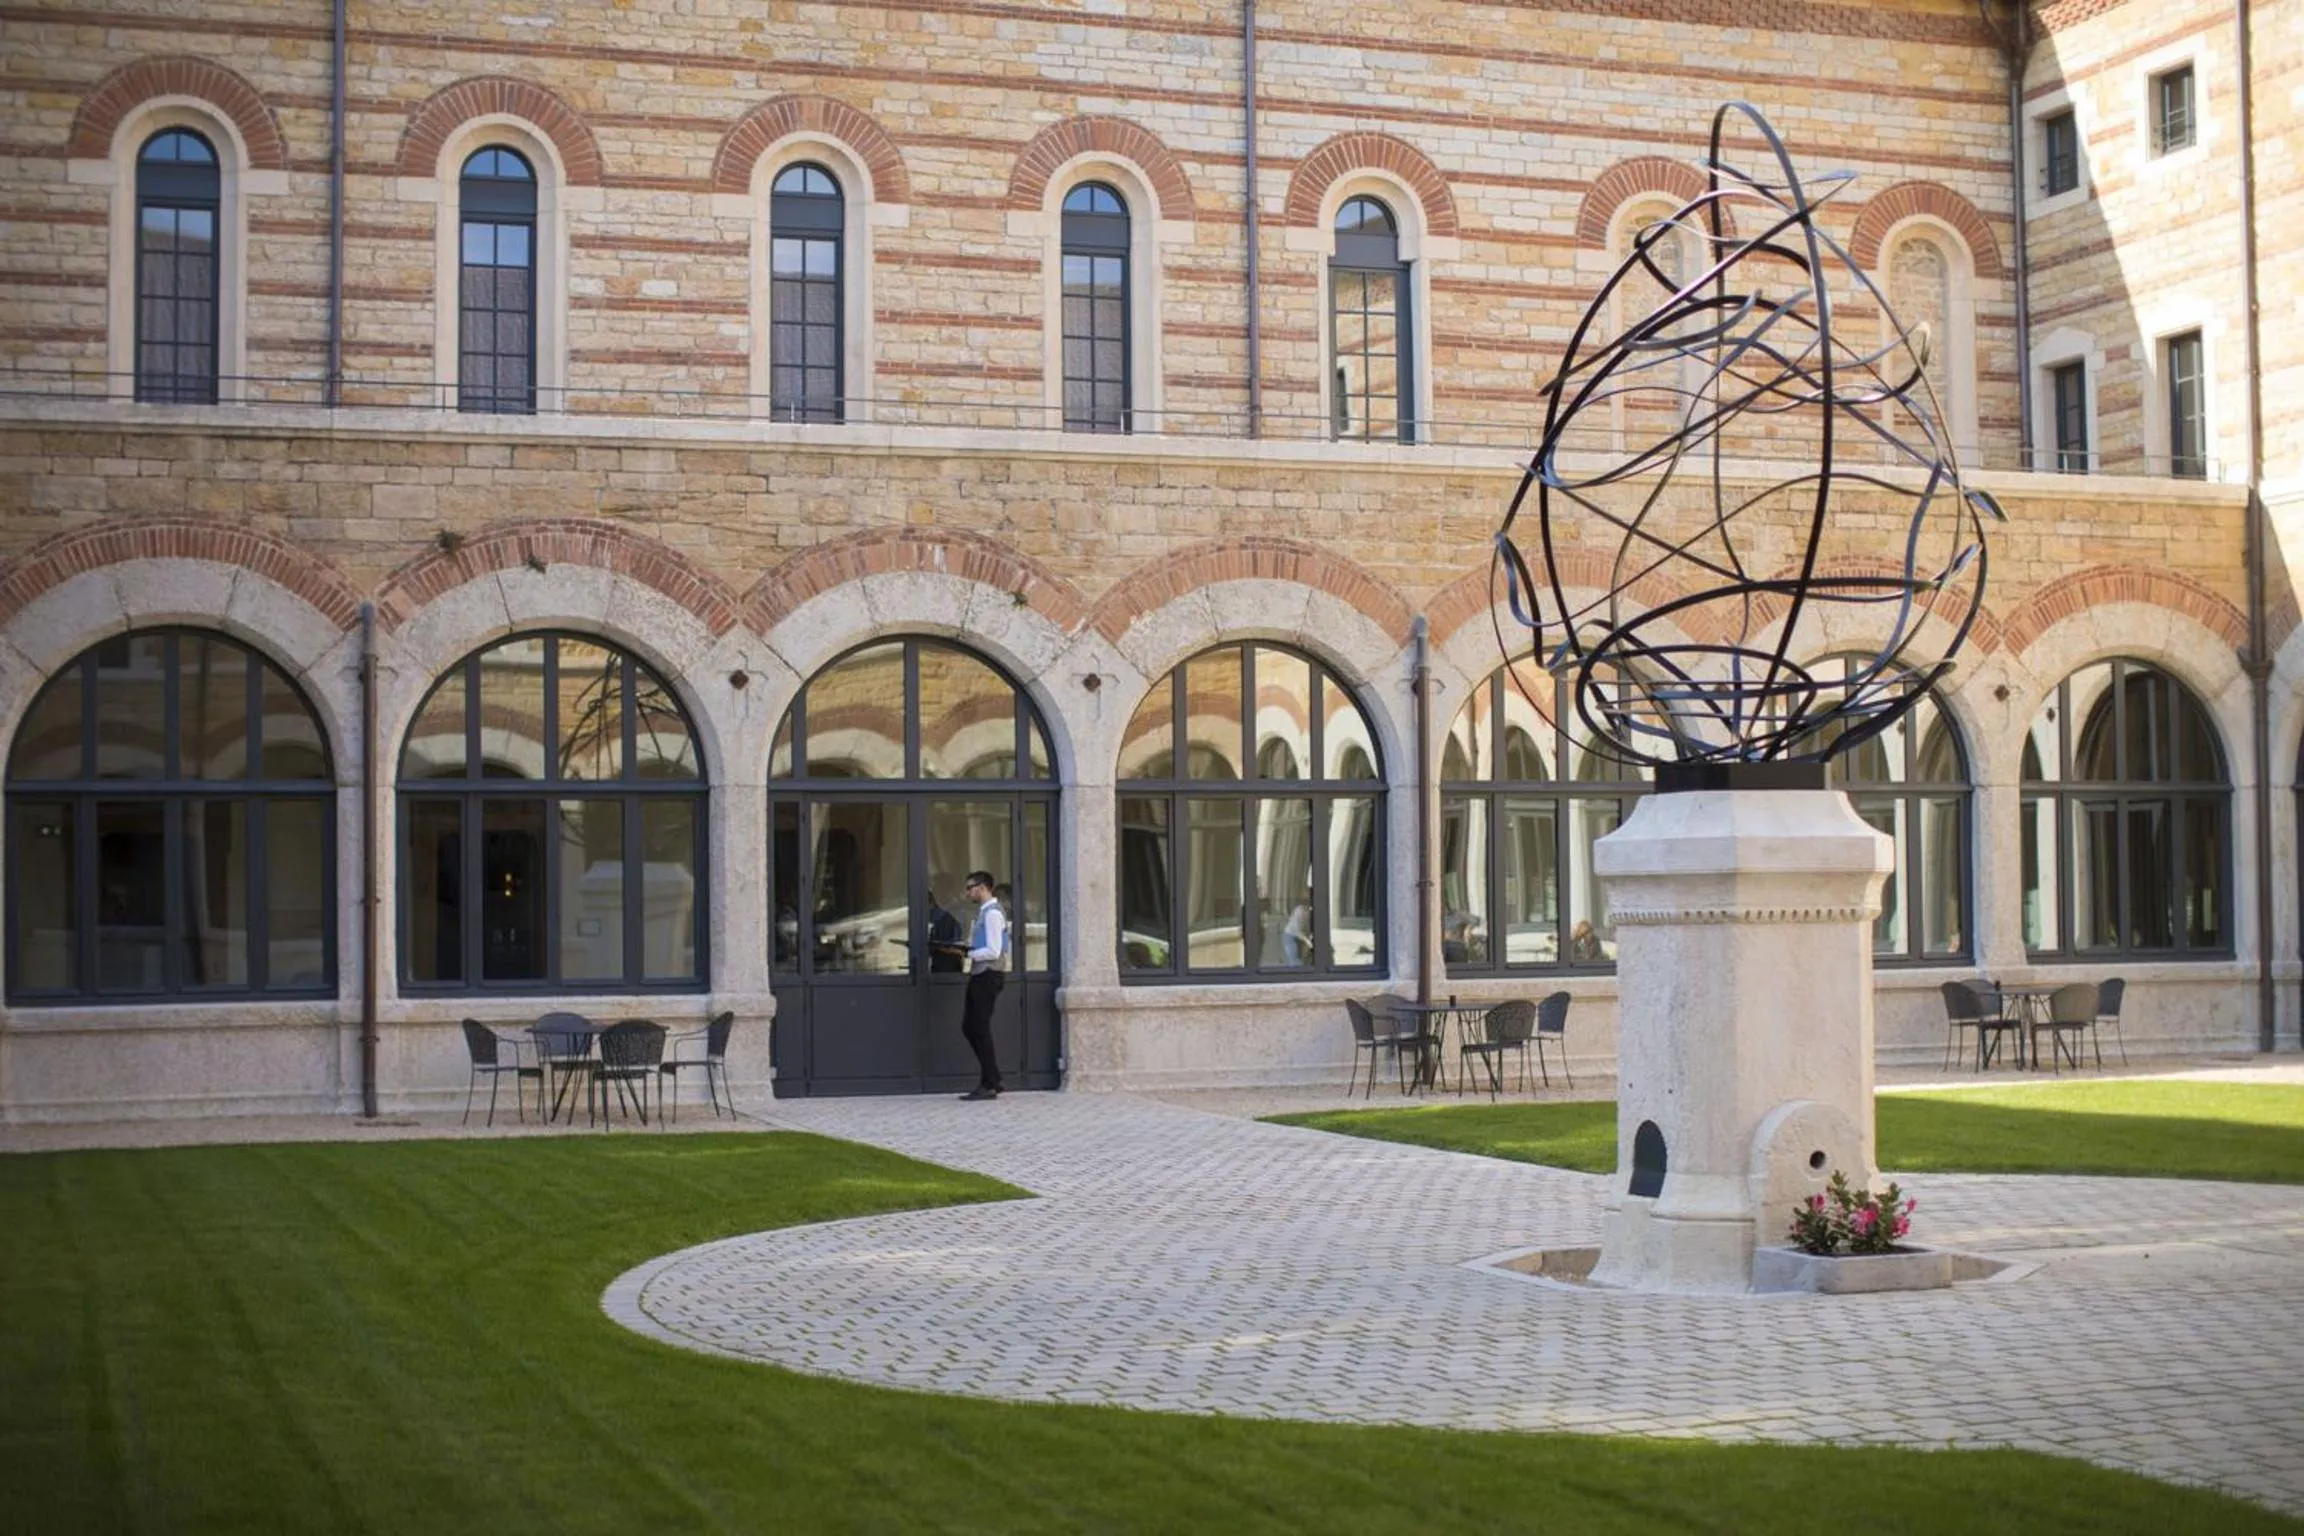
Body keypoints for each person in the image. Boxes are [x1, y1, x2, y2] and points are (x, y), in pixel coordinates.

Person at [958, 869, 1009, 1100]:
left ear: (982, 887)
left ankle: (989, 1082)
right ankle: (992, 1078)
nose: (967, 892)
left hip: (988, 974)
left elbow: (994, 951)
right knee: (971, 1027)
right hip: (980, 974)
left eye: (970, 887)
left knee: (979, 1028)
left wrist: (969, 953)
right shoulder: (983, 913)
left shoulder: (992, 914)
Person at [925, 891, 964, 974]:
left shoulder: (946, 920)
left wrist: (932, 946)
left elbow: (956, 947)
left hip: (946, 968)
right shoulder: (934, 919)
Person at [1281, 891, 1314, 967]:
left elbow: (1307, 926)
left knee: (1301, 960)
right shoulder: (1299, 911)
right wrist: (1307, 941)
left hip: (1300, 937)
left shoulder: (1308, 911)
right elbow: (1297, 931)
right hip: (1290, 936)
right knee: (1294, 961)